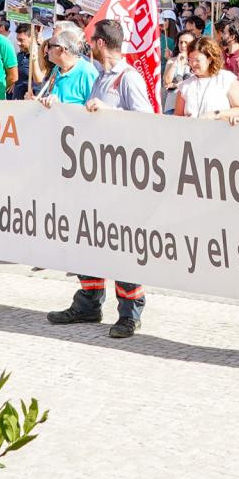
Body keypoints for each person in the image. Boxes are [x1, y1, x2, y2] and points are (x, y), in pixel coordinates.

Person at [49, 19, 157, 337]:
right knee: (90, 237)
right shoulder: (101, 77)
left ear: (98, 43)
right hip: (94, 173)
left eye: (90, 40)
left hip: (120, 177)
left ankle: (130, 313)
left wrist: (109, 114)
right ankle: (89, 301)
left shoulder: (128, 78)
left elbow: (147, 120)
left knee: (121, 245)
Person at [174, 36, 239, 122]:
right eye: (190, 59)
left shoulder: (226, 79)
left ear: (210, 59)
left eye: (197, 60)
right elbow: (177, 119)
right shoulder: (184, 86)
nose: (193, 63)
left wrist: (216, 114)